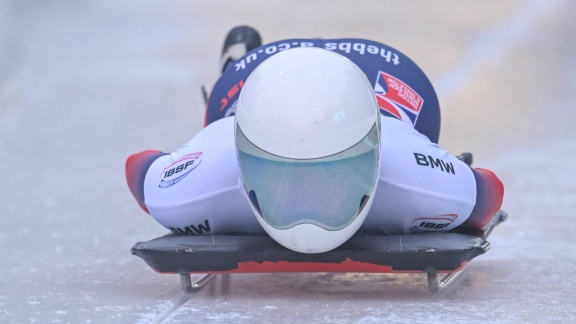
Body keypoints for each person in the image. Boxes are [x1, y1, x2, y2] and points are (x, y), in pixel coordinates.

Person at [125, 26, 504, 254]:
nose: (307, 204)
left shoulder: (183, 194)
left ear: (377, 151)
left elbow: (142, 169)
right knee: (221, 116)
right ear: (240, 157)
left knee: (218, 118)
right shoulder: (430, 191)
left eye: (332, 173)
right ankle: (235, 70)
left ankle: (239, 62)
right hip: (376, 80)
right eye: (280, 174)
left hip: (389, 78)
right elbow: (487, 192)